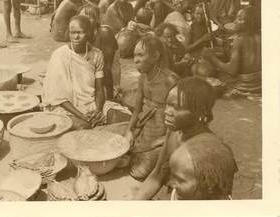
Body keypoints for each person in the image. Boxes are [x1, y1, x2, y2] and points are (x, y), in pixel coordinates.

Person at [133, 77, 219, 199]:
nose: (167, 112)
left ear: (200, 112)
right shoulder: (175, 131)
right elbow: (158, 175)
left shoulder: (208, 151)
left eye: (176, 107)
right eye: (167, 105)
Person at [43, 15, 130, 130]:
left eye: (80, 32)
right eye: (72, 33)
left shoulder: (96, 55)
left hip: (90, 103)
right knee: (84, 128)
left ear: (89, 33)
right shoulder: (59, 56)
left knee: (123, 117)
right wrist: (83, 117)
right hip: (67, 107)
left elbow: (99, 88)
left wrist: (98, 111)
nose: (76, 37)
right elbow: (59, 98)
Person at [125, 35, 179, 180]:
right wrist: (129, 131)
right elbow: (136, 110)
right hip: (145, 126)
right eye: (134, 55)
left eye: (141, 55)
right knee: (117, 143)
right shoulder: (143, 77)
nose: (135, 60)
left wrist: (158, 142)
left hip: (165, 133)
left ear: (155, 56)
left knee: (139, 171)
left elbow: (179, 121)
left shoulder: (170, 80)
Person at [202, 6, 261, 96]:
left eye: (240, 19)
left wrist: (212, 58)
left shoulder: (239, 40)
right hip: (259, 82)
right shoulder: (259, 35)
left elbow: (232, 70)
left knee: (207, 76)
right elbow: (245, 57)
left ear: (249, 23)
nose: (235, 21)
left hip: (245, 85)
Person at [169, 133, 238, 200]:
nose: (171, 184)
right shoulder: (178, 195)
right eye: (173, 177)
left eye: (180, 180)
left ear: (209, 185)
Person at [78, 4, 122, 100]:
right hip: (96, 73)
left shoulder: (105, 34)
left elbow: (107, 67)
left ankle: (115, 92)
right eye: (82, 18)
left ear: (96, 20)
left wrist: (110, 98)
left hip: (108, 77)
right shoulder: (80, 34)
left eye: (89, 18)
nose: (84, 21)